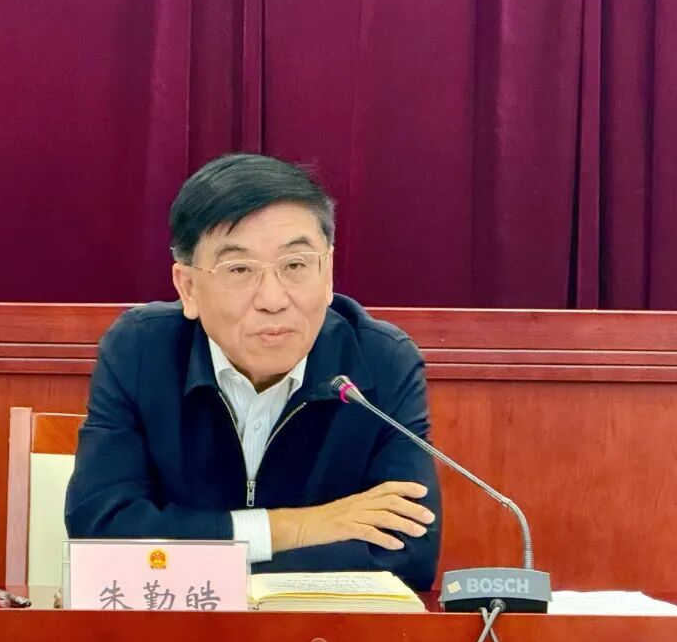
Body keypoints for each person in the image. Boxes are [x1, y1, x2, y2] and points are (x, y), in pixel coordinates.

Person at [65, 154, 441, 589]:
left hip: (317, 630)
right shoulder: (140, 351)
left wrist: (200, 554)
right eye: (240, 270)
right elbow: (101, 536)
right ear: (188, 287)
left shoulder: (381, 360)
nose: (273, 299)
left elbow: (408, 552)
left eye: (295, 265)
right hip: (177, 627)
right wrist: (300, 527)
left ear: (327, 274)